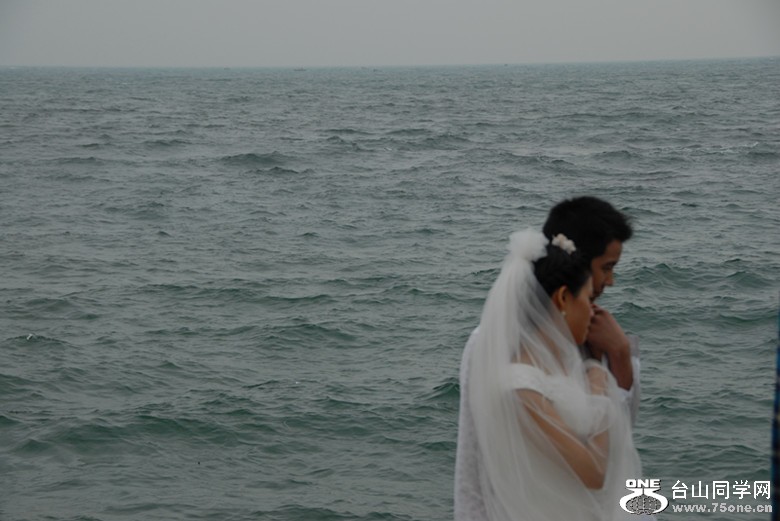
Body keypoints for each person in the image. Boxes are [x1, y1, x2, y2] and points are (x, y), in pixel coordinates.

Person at [454, 229, 642, 520]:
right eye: (586, 299)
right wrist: (598, 377)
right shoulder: (521, 386)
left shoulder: (561, 366)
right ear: (564, 298)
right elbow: (594, 471)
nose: (593, 312)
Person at [542, 196, 639, 422]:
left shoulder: (603, 334)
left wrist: (620, 355)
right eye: (606, 268)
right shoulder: (501, 343)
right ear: (578, 265)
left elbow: (623, 432)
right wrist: (619, 354)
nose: (610, 281)